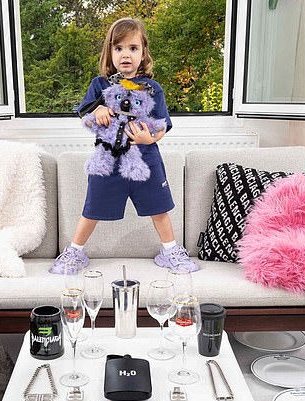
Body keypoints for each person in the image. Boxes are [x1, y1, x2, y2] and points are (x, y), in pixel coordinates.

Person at [50, 17, 199, 275]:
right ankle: (75, 252)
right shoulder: (99, 85)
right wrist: (97, 109)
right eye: (118, 48)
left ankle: (171, 251)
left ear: (143, 53)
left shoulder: (153, 89)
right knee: (92, 209)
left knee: (159, 209)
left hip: (147, 160)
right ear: (110, 52)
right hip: (107, 161)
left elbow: (162, 125)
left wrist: (148, 139)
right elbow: (84, 112)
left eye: (133, 48)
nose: (125, 55)